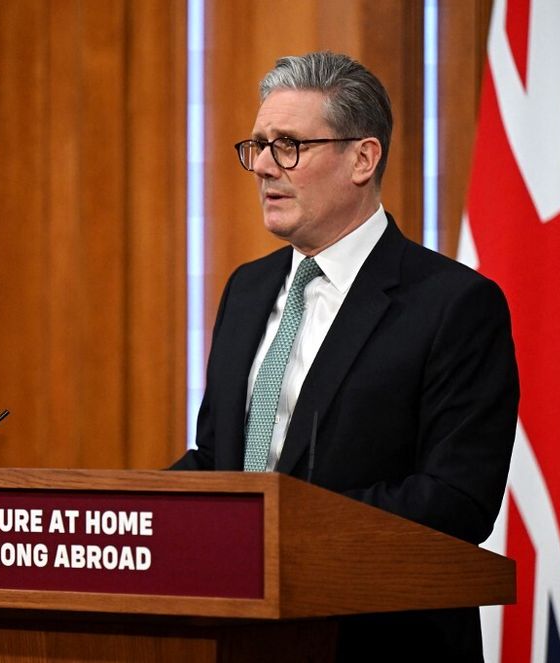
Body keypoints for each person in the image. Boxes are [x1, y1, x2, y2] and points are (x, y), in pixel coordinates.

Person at [171, 51, 519, 661]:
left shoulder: (453, 304)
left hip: (381, 641)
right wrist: (128, 517)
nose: (262, 168)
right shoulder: (247, 289)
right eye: (256, 146)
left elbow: (456, 499)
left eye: (289, 146)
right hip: (237, 633)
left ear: (362, 157)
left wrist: (276, 533)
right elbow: (219, 458)